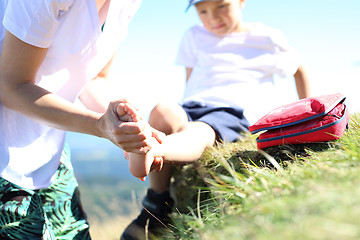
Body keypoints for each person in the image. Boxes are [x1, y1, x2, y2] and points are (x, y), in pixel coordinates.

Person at [120, 0, 311, 239]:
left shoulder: (265, 36)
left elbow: (299, 70)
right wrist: (177, 116)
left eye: (221, 6)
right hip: (193, 103)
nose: (212, 17)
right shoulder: (193, 35)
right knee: (161, 110)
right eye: (203, 11)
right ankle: (157, 199)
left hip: (232, 109)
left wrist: (308, 112)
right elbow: (191, 80)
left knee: (198, 132)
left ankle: (152, 146)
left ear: (241, 2)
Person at [0, 0, 162, 239]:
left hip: (47, 144)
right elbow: (11, 87)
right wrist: (101, 126)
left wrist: (130, 123)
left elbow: (94, 78)